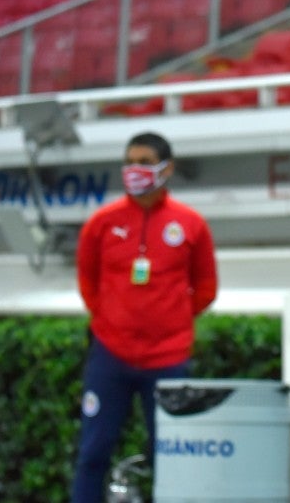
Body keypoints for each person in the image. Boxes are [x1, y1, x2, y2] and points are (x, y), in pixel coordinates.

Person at [71, 132, 217, 502]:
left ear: (167, 167)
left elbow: (206, 287)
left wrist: (171, 320)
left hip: (168, 360)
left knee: (169, 457)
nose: (135, 169)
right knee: (93, 453)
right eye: (129, 161)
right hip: (110, 356)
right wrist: (111, 318)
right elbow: (88, 280)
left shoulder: (190, 224)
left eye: (144, 161)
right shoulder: (102, 222)